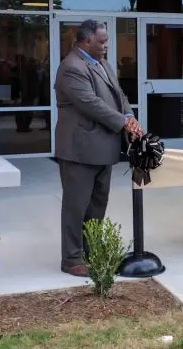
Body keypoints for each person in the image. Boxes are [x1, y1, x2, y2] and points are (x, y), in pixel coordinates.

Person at [54, 19, 143, 277]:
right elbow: (91, 104)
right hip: (79, 151)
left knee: (97, 205)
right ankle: (71, 259)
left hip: (102, 149)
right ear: (86, 41)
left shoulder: (102, 63)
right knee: (76, 206)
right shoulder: (71, 67)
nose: (106, 46)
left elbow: (119, 95)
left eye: (106, 41)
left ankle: (91, 251)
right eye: (102, 41)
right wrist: (124, 122)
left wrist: (130, 115)